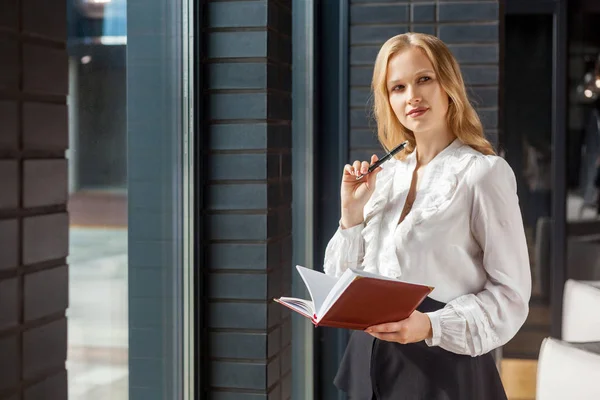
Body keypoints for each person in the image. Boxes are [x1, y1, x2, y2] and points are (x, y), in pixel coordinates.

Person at [323, 33, 531, 400]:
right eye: (397, 87)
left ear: (448, 84)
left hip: (442, 369)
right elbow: (341, 281)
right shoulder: (385, 178)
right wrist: (351, 215)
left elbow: (511, 296)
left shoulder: (483, 173)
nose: (412, 97)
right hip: (369, 365)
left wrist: (431, 325)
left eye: (424, 79)